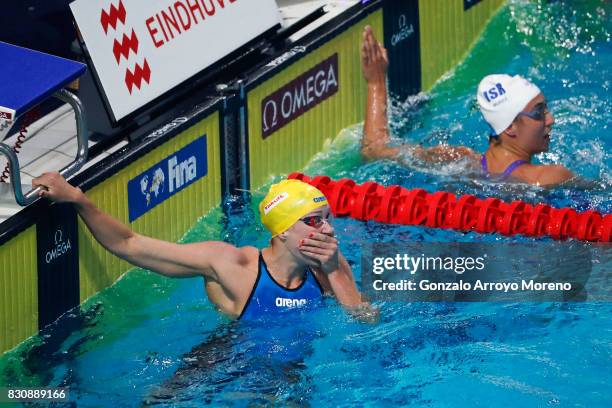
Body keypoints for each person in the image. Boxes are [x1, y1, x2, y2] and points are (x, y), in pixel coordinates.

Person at [33, 172, 370, 320]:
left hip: (296, 372)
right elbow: (130, 244)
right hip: (230, 368)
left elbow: (364, 325)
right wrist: (78, 200)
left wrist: (334, 273)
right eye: (312, 220)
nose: (326, 228)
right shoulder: (233, 265)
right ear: (282, 231)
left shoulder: (327, 265)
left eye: (327, 217)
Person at [359, 26, 575, 186]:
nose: (550, 119)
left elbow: (374, 150)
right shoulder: (548, 178)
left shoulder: (457, 160)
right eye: (539, 113)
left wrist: (376, 83)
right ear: (510, 127)